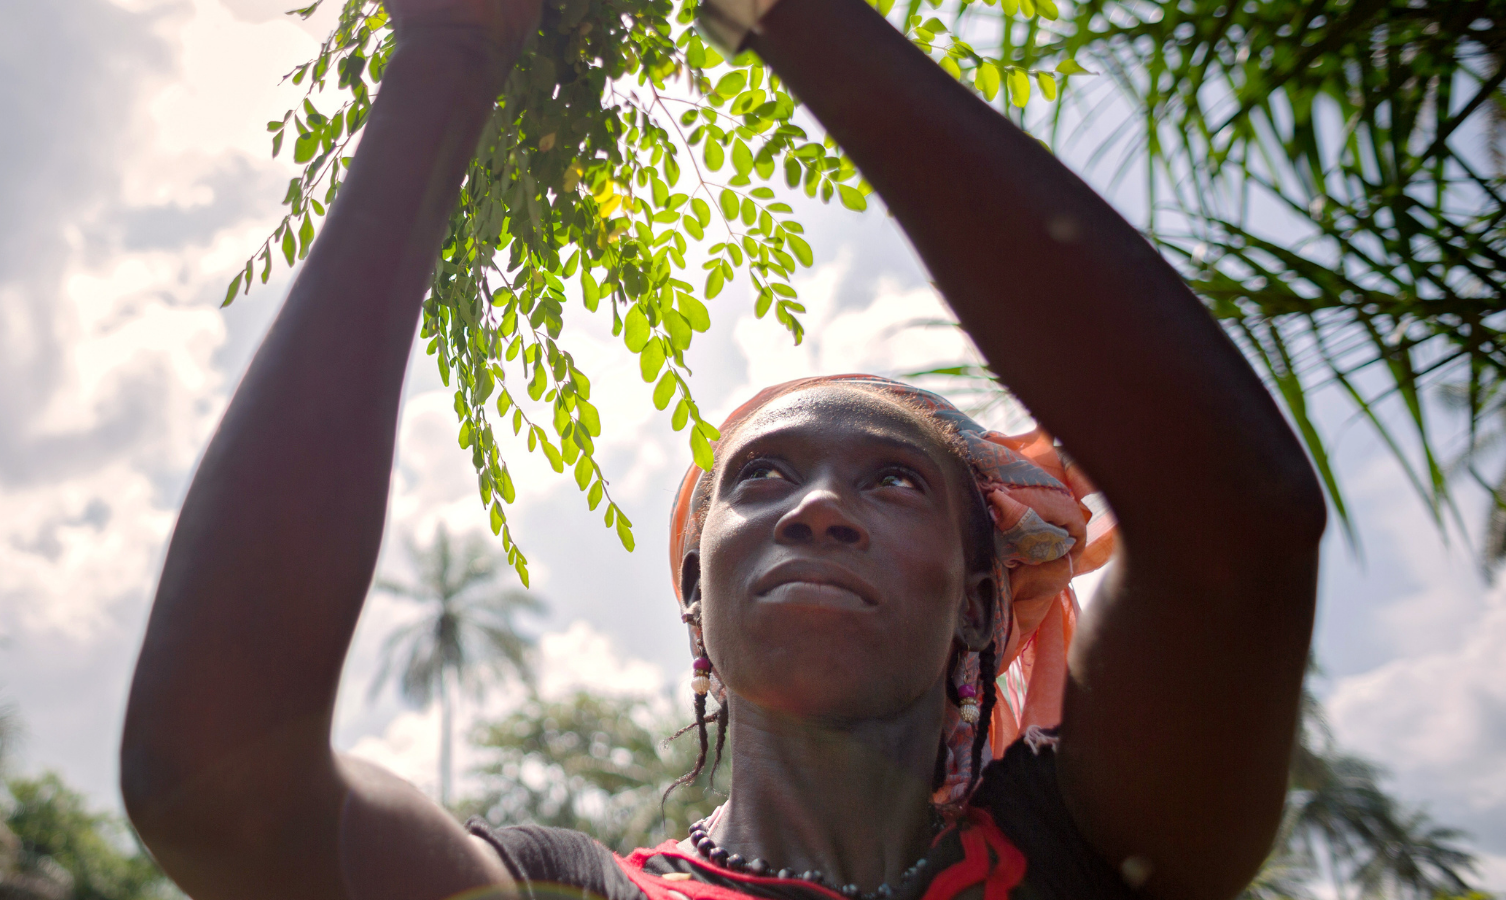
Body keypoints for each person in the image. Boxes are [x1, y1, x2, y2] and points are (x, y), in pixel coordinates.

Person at [118, 0, 1327, 892]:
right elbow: (217, 785)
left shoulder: (1087, 848)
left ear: (977, 604)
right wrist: (447, 46)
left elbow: (1242, 525)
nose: (815, 507)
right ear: (698, 603)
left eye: (894, 479)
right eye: (759, 480)